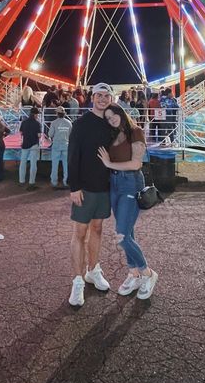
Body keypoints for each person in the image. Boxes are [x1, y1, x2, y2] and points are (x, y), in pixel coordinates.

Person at [97, 103, 158, 300]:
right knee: (128, 232)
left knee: (122, 235)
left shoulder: (135, 132)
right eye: (107, 117)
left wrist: (108, 163)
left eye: (113, 114)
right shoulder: (112, 136)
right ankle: (134, 273)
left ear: (121, 113)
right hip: (114, 183)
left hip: (130, 182)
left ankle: (148, 273)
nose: (111, 118)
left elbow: (136, 163)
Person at [67, 82, 115, 306]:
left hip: (104, 187)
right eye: (99, 95)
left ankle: (93, 270)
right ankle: (77, 281)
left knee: (97, 229)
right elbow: (72, 155)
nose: (103, 99)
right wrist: (73, 186)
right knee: (80, 232)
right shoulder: (80, 124)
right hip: (84, 187)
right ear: (92, 97)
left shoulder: (112, 125)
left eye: (106, 96)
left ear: (111, 99)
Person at [49, 106, 72, 189]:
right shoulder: (69, 123)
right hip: (66, 145)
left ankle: (54, 182)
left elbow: (50, 134)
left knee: (54, 164)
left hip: (56, 145)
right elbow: (71, 135)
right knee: (66, 165)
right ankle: (66, 182)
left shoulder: (53, 123)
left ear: (57, 114)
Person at [19, 107, 42, 190]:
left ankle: (21, 180)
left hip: (25, 144)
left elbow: (21, 132)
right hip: (34, 145)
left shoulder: (24, 122)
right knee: (33, 164)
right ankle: (31, 182)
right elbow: (39, 135)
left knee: (23, 163)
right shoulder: (37, 123)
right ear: (35, 114)